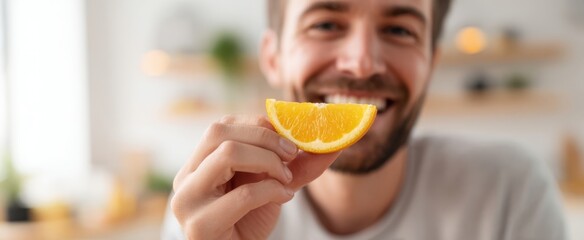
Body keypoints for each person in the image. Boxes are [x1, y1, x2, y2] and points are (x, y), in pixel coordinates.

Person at [162, 0, 566, 239]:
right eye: (325, 24)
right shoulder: (216, 200)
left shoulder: (508, 193)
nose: (362, 63)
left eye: (399, 29)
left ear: (431, 63)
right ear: (273, 57)